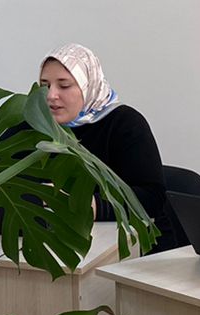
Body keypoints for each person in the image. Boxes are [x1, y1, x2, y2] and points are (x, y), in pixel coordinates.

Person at [39, 43, 181, 252]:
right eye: (45, 85)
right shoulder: (30, 126)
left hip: (132, 250)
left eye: (64, 85)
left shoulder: (124, 123)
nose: (51, 95)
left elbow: (152, 198)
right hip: (50, 242)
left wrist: (91, 206)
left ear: (89, 85)